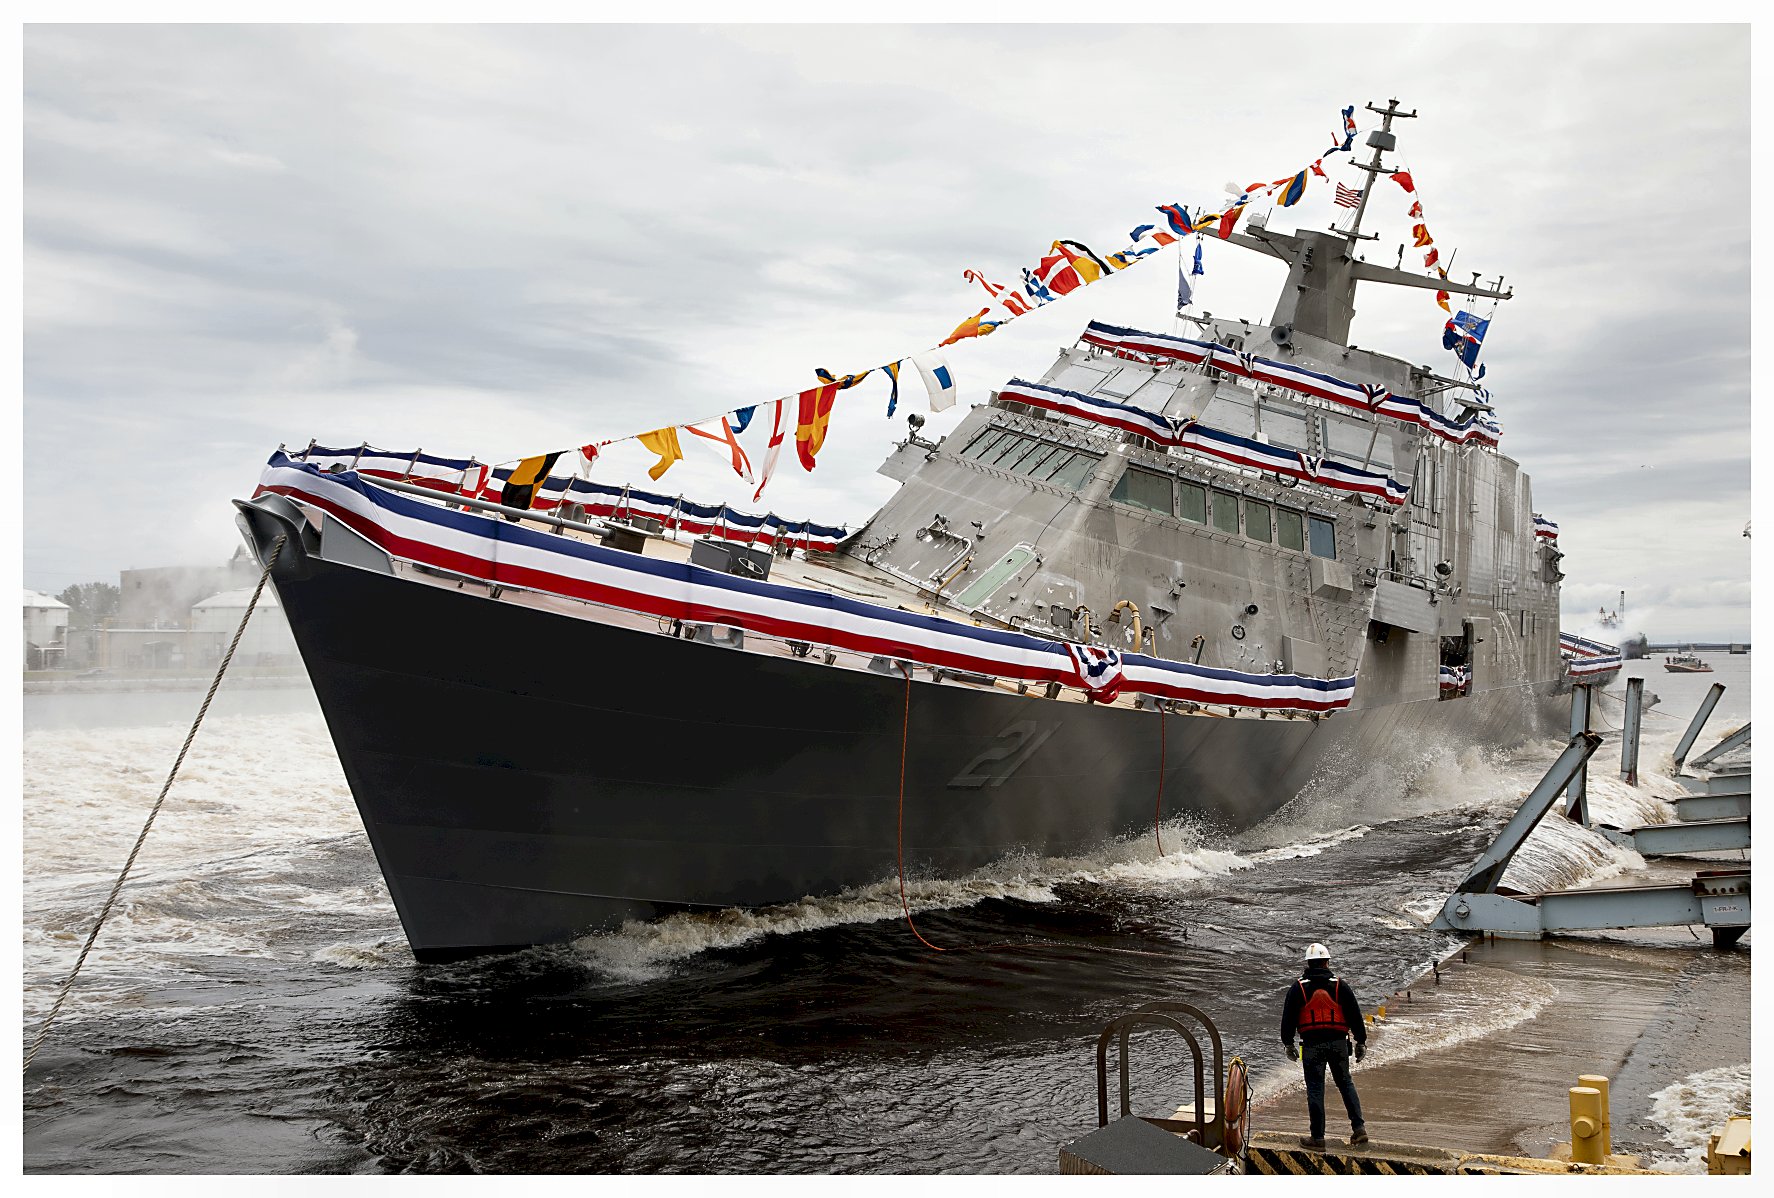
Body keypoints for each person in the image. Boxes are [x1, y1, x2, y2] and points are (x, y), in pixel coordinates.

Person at [1279, 942, 1369, 1150]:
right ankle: (1359, 1129)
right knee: (1345, 1083)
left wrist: (1288, 1043)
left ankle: (1318, 1138)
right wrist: (1361, 1041)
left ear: (1308, 964)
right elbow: (1355, 1016)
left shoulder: (1298, 988)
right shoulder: (1340, 986)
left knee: (1315, 1089)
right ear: (1327, 962)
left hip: (1312, 1046)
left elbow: (1288, 1019)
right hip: (1339, 1043)